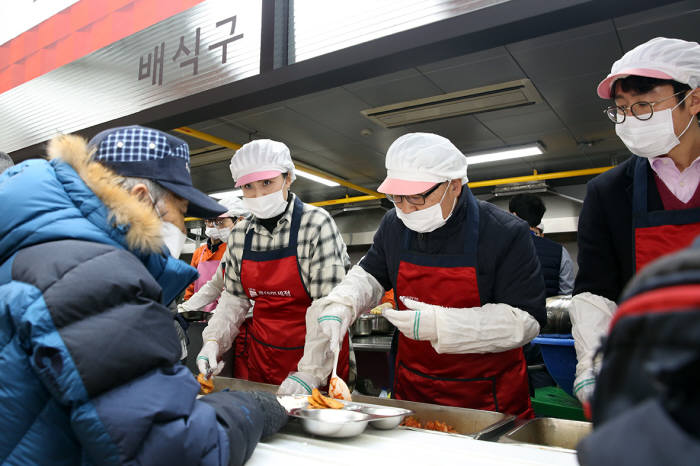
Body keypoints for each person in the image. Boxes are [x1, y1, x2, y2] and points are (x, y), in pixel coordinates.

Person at [0, 126, 287, 465]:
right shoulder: (94, 276)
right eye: (179, 212)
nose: (181, 229)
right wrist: (249, 408)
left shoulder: (32, 253)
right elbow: (174, 452)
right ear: (139, 199)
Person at [280, 132, 546, 419]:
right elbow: (370, 275)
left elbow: (525, 321)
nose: (405, 208)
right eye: (396, 198)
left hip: (487, 400)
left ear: (454, 185)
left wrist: (441, 325)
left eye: (416, 197)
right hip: (413, 390)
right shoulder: (394, 225)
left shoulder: (504, 232)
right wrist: (344, 302)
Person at [570, 37, 700, 405]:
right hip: (651, 383)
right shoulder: (608, 192)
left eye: (643, 105)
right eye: (621, 109)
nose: (629, 120)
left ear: (693, 99)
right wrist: (593, 367)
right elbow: (596, 293)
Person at [196, 139, 351, 389]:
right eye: (248, 187)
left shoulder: (316, 225)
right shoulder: (240, 235)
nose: (258, 194)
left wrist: (309, 373)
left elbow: (327, 306)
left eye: (267, 183)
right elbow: (234, 299)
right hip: (264, 360)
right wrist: (214, 341)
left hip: (316, 360)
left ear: (288, 178)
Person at [183, 195, 249, 312]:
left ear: (240, 220)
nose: (217, 227)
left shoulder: (253, 252)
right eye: (215, 222)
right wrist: (185, 308)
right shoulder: (230, 252)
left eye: (221, 222)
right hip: (216, 315)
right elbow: (214, 286)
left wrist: (220, 313)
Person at [509, 193, 575, 297]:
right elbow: (567, 296)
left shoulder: (500, 250)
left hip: (511, 312)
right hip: (547, 312)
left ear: (513, 216)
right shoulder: (561, 252)